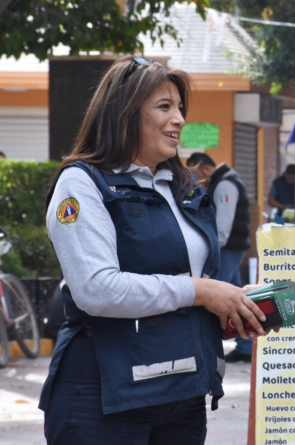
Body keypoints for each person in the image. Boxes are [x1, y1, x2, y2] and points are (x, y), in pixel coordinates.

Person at [39, 55, 271, 444]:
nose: (179, 118)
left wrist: (229, 305)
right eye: (164, 107)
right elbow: (97, 289)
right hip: (102, 395)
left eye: (180, 108)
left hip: (183, 394)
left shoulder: (182, 186)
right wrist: (202, 291)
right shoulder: (81, 184)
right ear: (123, 114)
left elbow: (192, 286)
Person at [186, 152, 253, 363]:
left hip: (227, 249)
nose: (195, 179)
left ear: (205, 169)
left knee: (219, 298)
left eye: (195, 173)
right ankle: (245, 345)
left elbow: (223, 226)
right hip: (230, 248)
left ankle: (212, 348)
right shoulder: (225, 181)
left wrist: (212, 249)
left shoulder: (225, 185)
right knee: (237, 295)